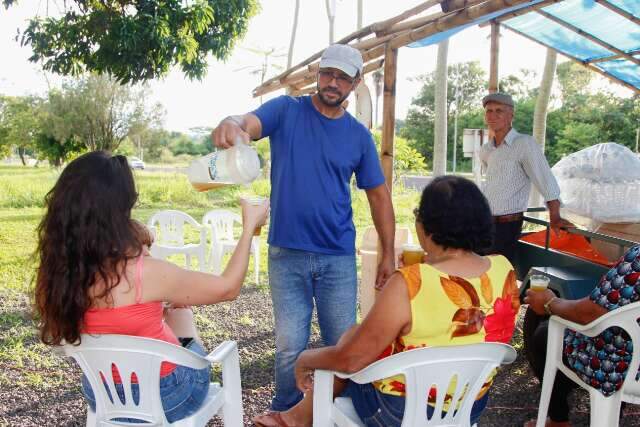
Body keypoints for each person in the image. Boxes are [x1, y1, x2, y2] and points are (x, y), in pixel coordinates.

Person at [212, 43, 396, 411]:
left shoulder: (359, 136)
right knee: (288, 346)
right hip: (287, 253)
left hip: (337, 257)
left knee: (343, 344)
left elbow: (379, 197)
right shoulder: (286, 110)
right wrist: (232, 124)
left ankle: (338, 412)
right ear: (317, 73)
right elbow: (248, 123)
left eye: (342, 77)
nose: (332, 82)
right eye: (327, 73)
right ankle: (284, 410)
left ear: (355, 83)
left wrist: (388, 254)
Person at [253, 176, 520, 427]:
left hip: (399, 413)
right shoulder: (503, 269)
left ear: (425, 226)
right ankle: (297, 416)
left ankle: (298, 418)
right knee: (354, 337)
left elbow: (350, 361)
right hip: (468, 406)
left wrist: (305, 358)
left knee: (348, 349)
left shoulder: (410, 281)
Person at [33, 151, 269, 423]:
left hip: (101, 392)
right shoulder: (143, 272)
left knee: (171, 312)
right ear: (120, 208)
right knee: (182, 313)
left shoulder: (58, 271)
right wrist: (249, 225)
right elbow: (228, 288)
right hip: (169, 394)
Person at [523, 244, 640, 427]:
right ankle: (609, 416)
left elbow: (590, 313)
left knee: (543, 332)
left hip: (620, 368)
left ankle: (558, 419)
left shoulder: (637, 259)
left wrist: (550, 303)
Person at [479, 92, 573, 264]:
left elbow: (545, 179)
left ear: (511, 115)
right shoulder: (486, 149)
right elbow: (492, 184)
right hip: (484, 222)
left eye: (499, 111)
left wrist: (555, 215)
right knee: (478, 272)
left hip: (508, 226)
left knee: (498, 274)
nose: (492, 115)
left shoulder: (524, 144)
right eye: (489, 111)